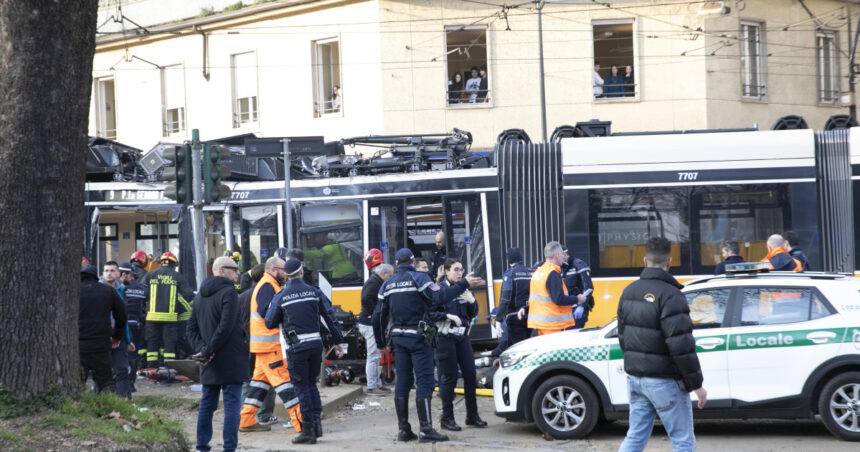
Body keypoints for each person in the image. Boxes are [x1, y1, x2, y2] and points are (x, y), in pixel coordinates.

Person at [372, 248, 484, 443]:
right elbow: (440, 297)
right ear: (413, 262)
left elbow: (378, 316)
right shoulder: (420, 278)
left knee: (403, 383)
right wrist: (465, 283)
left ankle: (403, 429)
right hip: (419, 338)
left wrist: (381, 343)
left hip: (399, 339)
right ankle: (425, 430)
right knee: (425, 382)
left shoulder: (387, 284)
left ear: (397, 264)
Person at [617, 237, 707, 452]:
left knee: (636, 436)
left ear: (645, 261)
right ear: (669, 263)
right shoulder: (672, 295)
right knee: (682, 440)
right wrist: (697, 385)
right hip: (665, 381)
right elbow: (681, 345)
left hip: (636, 379)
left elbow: (623, 337)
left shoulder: (628, 291)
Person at [265, 258, 345, 444]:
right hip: (315, 345)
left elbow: (269, 322)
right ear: (301, 272)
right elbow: (329, 317)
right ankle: (316, 426)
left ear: (285, 275)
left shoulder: (281, 296)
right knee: (311, 384)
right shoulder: (314, 292)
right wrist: (338, 341)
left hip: (296, 347)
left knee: (301, 387)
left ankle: (308, 431)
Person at [186, 256, 249, 452]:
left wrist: (204, 350)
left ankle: (201, 447)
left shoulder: (200, 294)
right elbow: (226, 327)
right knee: (232, 405)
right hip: (230, 357)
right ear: (221, 270)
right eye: (235, 269)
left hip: (210, 360)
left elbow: (191, 328)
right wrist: (208, 350)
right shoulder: (229, 292)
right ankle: (229, 448)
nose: (238, 273)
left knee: (207, 404)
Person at [239, 257, 303, 433]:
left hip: (263, 347)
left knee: (258, 385)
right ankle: (302, 423)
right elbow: (267, 313)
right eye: (284, 270)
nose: (286, 273)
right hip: (271, 347)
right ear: (274, 270)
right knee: (285, 384)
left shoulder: (267, 285)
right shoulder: (268, 285)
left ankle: (246, 420)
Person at [435, 259, 488, 431]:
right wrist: (447, 317)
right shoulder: (440, 289)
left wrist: (472, 301)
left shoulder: (464, 289)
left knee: (470, 374)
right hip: (446, 337)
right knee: (449, 378)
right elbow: (432, 312)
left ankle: (472, 416)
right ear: (447, 271)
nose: (459, 273)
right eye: (456, 270)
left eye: (461, 269)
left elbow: (472, 313)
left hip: (462, 337)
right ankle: (447, 418)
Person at [238, 263, 278, 427]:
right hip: (265, 344)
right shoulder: (265, 295)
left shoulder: (241, 296)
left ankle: (244, 415)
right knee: (268, 380)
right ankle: (264, 415)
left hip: (246, 344)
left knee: (248, 381)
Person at [140, 252, 195, 368]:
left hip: (151, 318)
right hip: (170, 318)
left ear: (161, 262)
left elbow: (141, 293)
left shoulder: (150, 275)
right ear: (173, 264)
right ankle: (169, 367)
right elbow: (189, 295)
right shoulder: (177, 276)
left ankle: (152, 366)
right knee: (169, 342)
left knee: (152, 342)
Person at [79, 265, 127, 393]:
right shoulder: (108, 291)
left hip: (78, 345)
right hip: (101, 343)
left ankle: (75, 407)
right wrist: (117, 336)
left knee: (77, 381)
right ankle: (106, 407)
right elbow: (122, 315)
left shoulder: (71, 291)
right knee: (104, 381)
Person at [522, 241, 586, 335]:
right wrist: (578, 299)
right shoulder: (552, 273)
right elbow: (558, 299)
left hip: (541, 325)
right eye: (561, 254)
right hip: (552, 326)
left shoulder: (539, 272)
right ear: (556, 255)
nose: (563, 256)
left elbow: (538, 298)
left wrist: (525, 308)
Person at [359, 249, 393, 395]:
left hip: (369, 322)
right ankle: (372, 386)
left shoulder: (374, 280)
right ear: (383, 274)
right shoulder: (374, 282)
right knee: (373, 355)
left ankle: (377, 384)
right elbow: (366, 298)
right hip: (369, 323)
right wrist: (375, 313)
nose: (391, 278)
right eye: (390, 276)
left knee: (377, 355)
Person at [491, 248, 532, 359]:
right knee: (528, 347)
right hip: (530, 316)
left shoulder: (510, 274)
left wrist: (498, 319)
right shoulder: (530, 272)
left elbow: (506, 299)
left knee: (519, 350)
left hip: (515, 318)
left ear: (509, 260)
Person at [118, 262, 147, 393]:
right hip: (135, 324)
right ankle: (130, 384)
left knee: (122, 355)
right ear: (124, 274)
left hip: (124, 325)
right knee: (132, 355)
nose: (133, 278)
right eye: (132, 276)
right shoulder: (142, 289)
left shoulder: (119, 290)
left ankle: (122, 385)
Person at [562, 246, 594, 329]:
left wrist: (581, 306)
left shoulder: (579, 265)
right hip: (566, 310)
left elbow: (588, 287)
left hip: (577, 309)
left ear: (564, 254)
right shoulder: (560, 268)